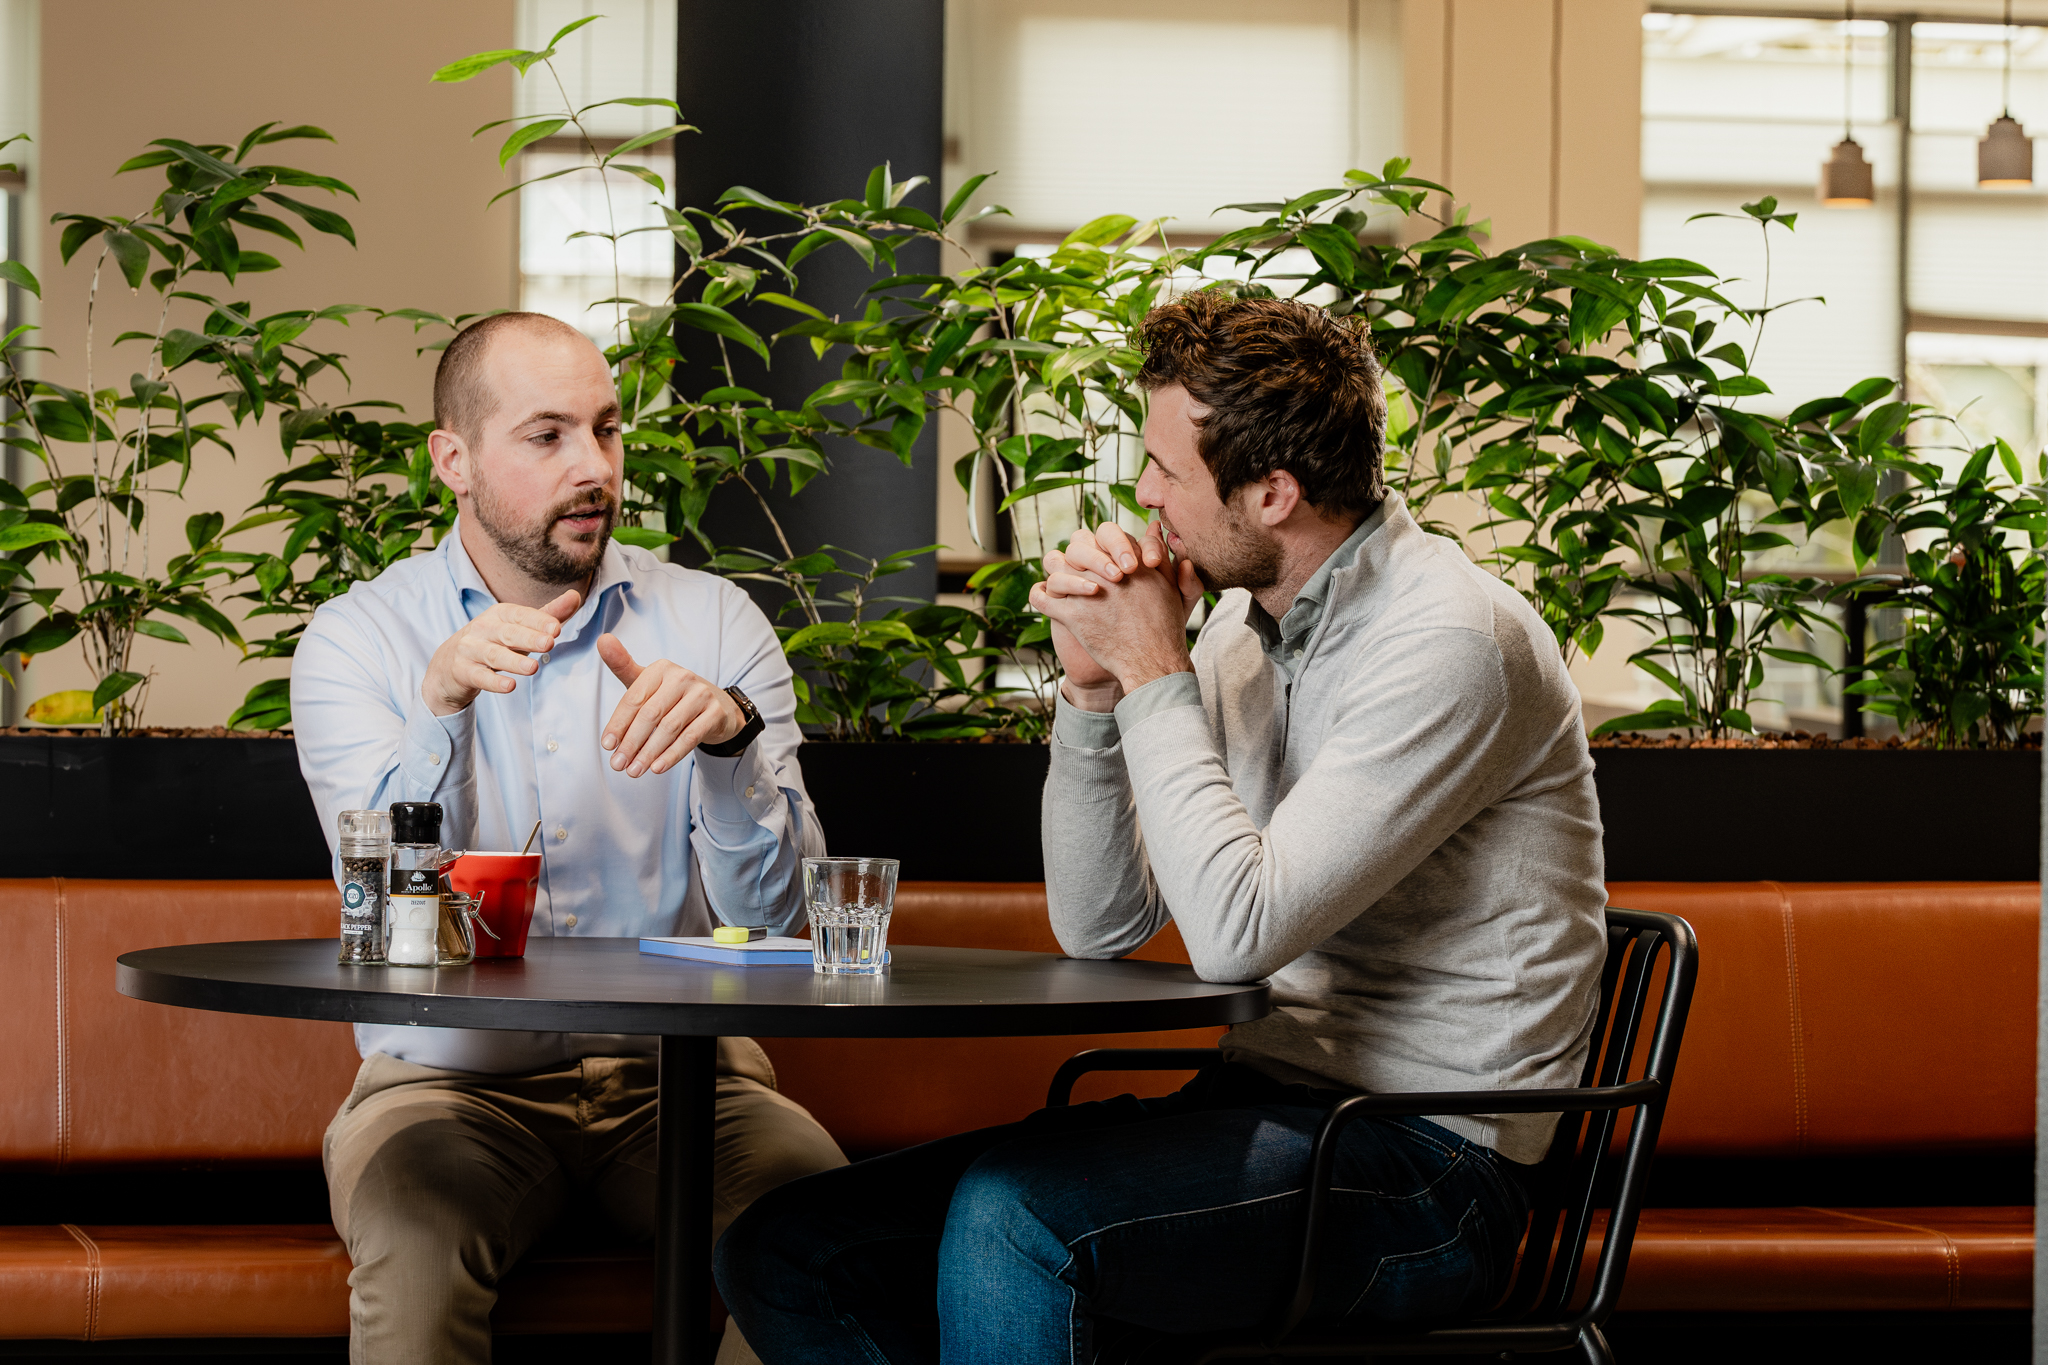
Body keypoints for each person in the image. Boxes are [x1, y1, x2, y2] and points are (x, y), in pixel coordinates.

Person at [713, 293, 1608, 1364]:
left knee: (1020, 1221)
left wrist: (1150, 668)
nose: (1141, 496)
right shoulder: (1243, 626)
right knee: (793, 1245)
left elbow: (1235, 935)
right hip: (1267, 1111)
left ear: (1271, 492)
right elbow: (1098, 928)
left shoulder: (1448, 641)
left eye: (1165, 470)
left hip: (1433, 1163)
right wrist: (1092, 695)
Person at [293, 312, 846, 1365]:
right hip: (444, 1086)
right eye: (547, 436)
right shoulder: (358, 638)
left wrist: (730, 751)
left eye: (605, 429)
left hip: (690, 1079)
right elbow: (383, 914)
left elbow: (781, 934)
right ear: (451, 459)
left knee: (825, 1236)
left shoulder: (714, 623)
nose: (593, 466)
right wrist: (441, 711)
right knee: (414, 1250)